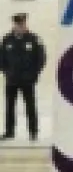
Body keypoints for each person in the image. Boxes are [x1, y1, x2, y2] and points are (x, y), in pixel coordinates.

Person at [0, 13, 46, 141]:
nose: (20, 27)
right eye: (18, 24)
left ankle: (33, 131)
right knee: (9, 106)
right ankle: (9, 132)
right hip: (11, 80)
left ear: (26, 24)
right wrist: (6, 72)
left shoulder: (34, 39)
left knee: (30, 106)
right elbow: (2, 58)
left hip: (28, 80)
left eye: (22, 24)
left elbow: (41, 58)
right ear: (14, 25)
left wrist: (34, 74)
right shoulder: (6, 39)